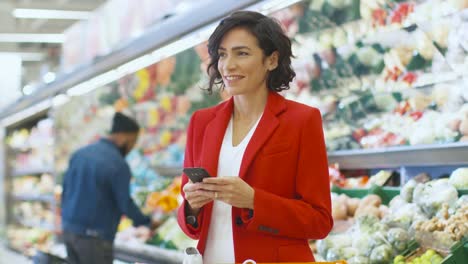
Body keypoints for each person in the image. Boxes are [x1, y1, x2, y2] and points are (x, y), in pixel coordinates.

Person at [177, 10, 333, 263]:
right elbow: (189, 222)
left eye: (242, 53)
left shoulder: (301, 121)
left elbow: (320, 221)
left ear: (271, 60)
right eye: (222, 54)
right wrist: (192, 206)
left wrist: (253, 200)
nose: (228, 65)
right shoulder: (201, 122)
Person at [61, 112, 151, 264]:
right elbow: (125, 203)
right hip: (94, 239)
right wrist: (144, 222)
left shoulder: (79, 154)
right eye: (133, 141)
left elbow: (65, 191)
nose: (132, 147)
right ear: (123, 137)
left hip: (69, 231)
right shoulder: (118, 164)